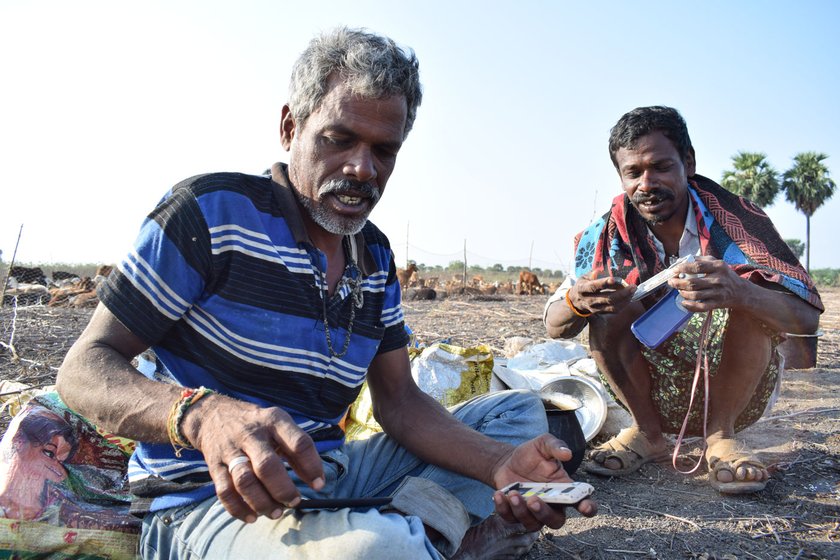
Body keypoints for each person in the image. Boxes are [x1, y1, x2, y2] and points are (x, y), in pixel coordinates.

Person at [56, 27, 595, 559]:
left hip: (328, 475)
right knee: (371, 550)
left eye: (384, 150)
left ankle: (428, 540)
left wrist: (499, 464)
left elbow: (401, 403)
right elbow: (83, 369)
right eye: (339, 139)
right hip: (209, 505)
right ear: (291, 127)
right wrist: (203, 416)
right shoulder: (210, 214)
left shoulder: (375, 256)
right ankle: (423, 540)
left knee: (518, 417)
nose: (363, 168)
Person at [545, 106, 823, 494]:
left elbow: (806, 319)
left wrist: (740, 290)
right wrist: (578, 301)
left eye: (660, 166)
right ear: (621, 177)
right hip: (648, 388)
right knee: (608, 310)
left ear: (687, 163)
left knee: (752, 301)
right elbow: (554, 324)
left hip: (739, 390)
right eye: (633, 172)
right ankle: (647, 433)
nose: (646, 183)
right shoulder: (606, 234)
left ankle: (720, 438)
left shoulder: (738, 222)